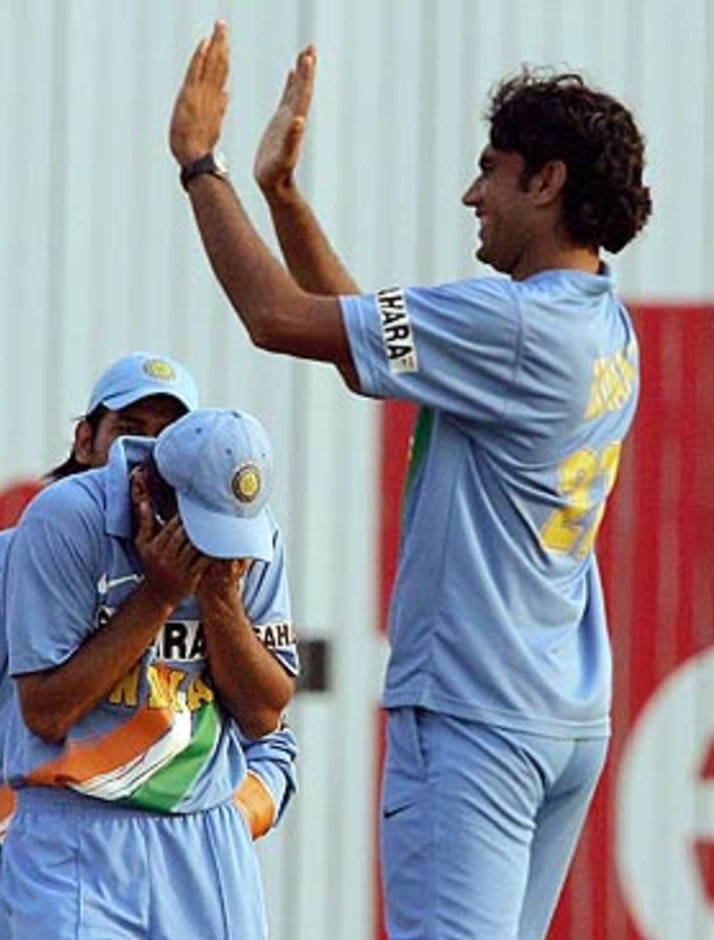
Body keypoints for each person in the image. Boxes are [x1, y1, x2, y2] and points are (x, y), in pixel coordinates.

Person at [170, 23, 651, 939]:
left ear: (547, 182)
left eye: (491, 170)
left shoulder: (514, 325)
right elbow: (358, 340)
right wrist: (281, 195)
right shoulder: (603, 323)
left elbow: (276, 318)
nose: (473, 196)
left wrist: (201, 165)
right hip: (561, 716)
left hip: (474, 714)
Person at [0, 353, 299, 940]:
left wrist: (220, 817)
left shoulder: (231, 545)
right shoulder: (10, 560)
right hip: (37, 851)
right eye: (129, 430)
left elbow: (270, 731)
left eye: (170, 436)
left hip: (193, 846)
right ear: (85, 439)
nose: (145, 451)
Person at [3, 407, 297, 939]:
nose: (214, 550)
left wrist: (221, 599)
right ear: (144, 489)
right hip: (78, 827)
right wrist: (158, 597)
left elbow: (264, 714)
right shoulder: (67, 518)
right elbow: (46, 712)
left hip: (204, 829)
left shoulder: (250, 534)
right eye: (200, 530)